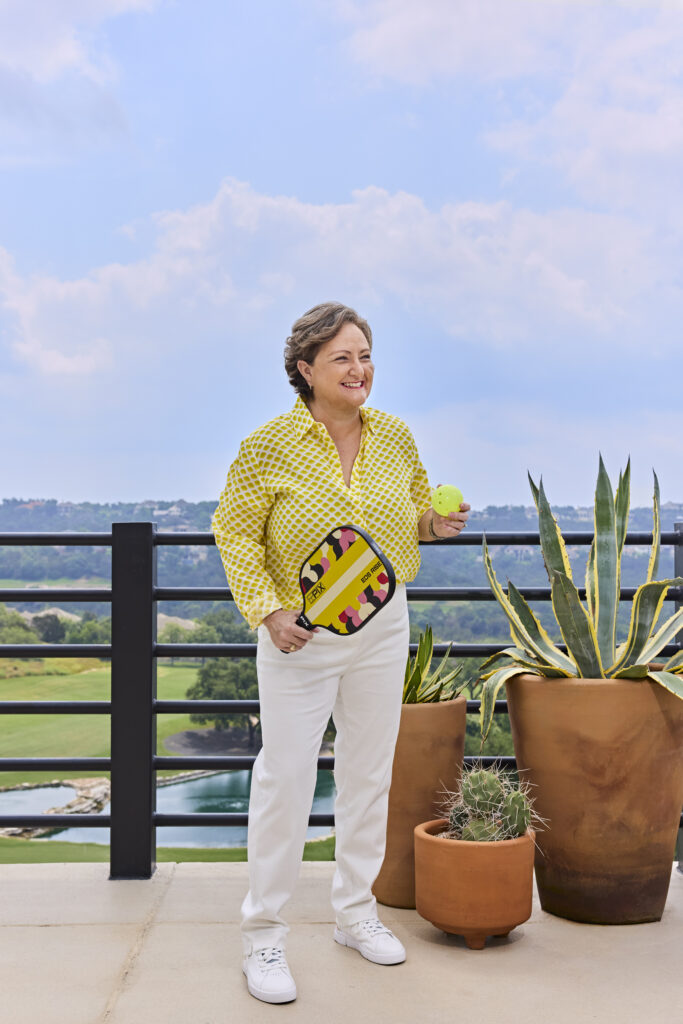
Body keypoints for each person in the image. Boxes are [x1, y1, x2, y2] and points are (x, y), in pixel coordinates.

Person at [211, 302, 470, 1004]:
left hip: (383, 628)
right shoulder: (268, 444)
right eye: (342, 359)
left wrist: (433, 522)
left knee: (367, 775)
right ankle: (262, 936)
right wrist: (267, 610)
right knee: (284, 782)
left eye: (364, 355)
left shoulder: (393, 435)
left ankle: (354, 913)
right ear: (305, 370)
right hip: (301, 636)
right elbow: (233, 532)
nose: (359, 370)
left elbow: (414, 512)